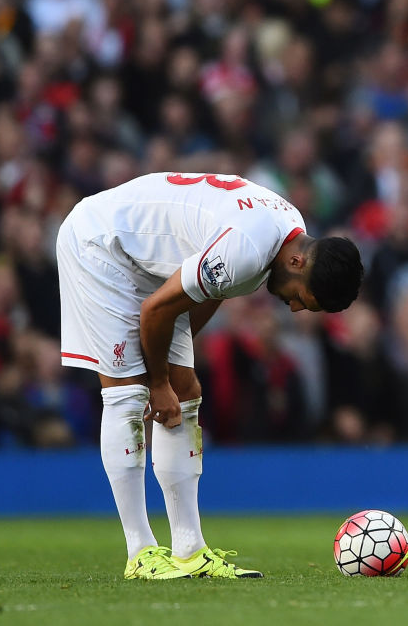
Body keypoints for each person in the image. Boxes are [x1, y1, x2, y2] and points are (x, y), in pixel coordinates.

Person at [56, 171, 363, 580]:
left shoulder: (285, 233)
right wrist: (157, 381)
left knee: (187, 392)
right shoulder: (250, 247)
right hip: (101, 243)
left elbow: (207, 292)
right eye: (303, 299)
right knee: (127, 394)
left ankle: (189, 550)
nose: (293, 309)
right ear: (298, 261)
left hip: (141, 258)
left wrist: (169, 376)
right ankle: (140, 552)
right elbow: (155, 311)